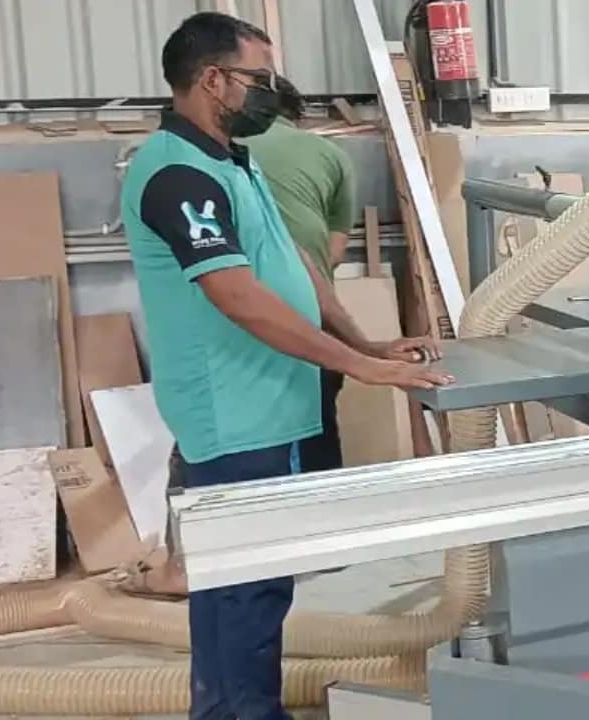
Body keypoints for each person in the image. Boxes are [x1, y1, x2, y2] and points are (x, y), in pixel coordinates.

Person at [121, 12, 453, 718]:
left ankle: (225, 710)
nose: (272, 92)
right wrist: (361, 370)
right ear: (214, 80)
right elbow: (237, 295)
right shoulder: (176, 174)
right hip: (235, 415)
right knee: (246, 590)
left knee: (244, 583)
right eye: (260, 78)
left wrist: (365, 344)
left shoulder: (230, 161)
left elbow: (293, 261)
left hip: (273, 404)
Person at [237, 75, 362, 472]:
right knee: (315, 443)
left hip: (233, 327)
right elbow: (333, 252)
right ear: (297, 116)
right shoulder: (329, 153)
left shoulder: (215, 153)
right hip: (311, 315)